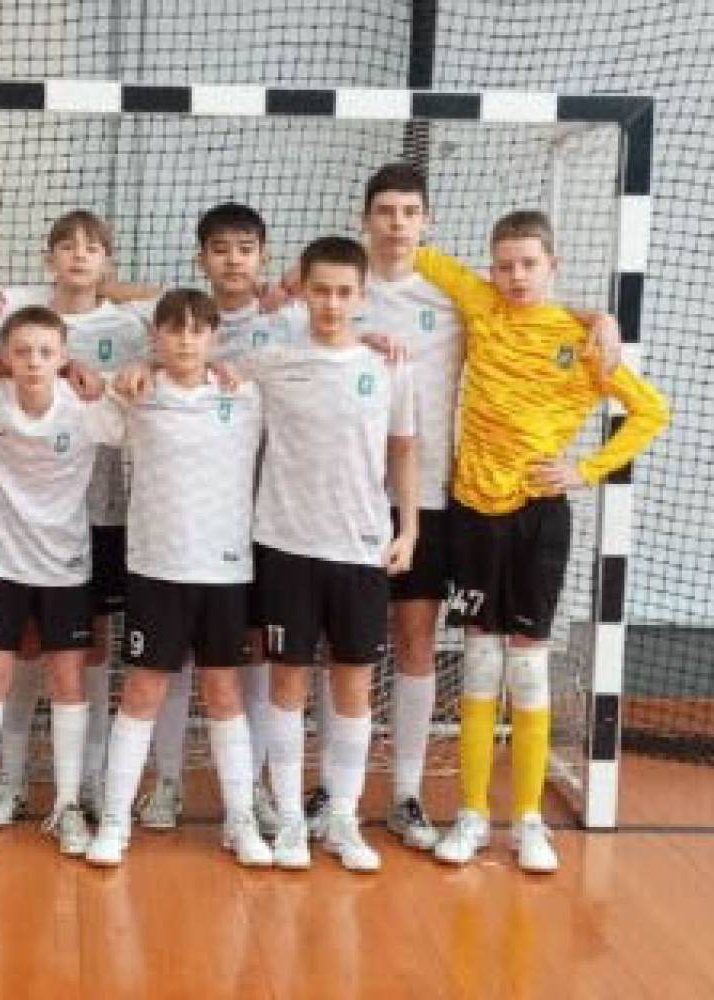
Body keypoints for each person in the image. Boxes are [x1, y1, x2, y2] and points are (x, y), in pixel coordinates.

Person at [418, 212, 669, 873]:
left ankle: (528, 820)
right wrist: (292, 279)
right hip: (472, 514)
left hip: (539, 517)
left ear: (552, 265)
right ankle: (472, 813)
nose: (516, 276)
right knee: (479, 662)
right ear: (491, 268)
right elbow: (410, 250)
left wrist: (585, 469)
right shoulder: (479, 303)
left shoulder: (581, 343)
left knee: (528, 666)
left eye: (529, 263)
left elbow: (651, 412)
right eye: (504, 265)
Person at [0, 305, 121, 857]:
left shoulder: (88, 408)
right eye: (22, 351)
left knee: (68, 682)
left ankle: (67, 805)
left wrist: (102, 377)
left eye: (46, 352)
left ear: (63, 358)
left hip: (66, 568)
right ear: (4, 356)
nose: (34, 362)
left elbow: (152, 389)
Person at [82, 288, 270, 868]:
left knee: (223, 693)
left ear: (214, 337)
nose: (186, 340)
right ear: (156, 336)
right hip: (156, 568)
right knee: (143, 690)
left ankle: (240, 821)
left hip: (226, 571)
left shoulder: (245, 394)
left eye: (197, 330)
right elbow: (84, 415)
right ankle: (116, 821)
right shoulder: (136, 393)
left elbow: (304, 363)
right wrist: (120, 379)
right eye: (174, 329)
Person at [249, 236, 419, 872]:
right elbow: (204, 367)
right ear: (302, 292)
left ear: (363, 296)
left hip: (361, 549)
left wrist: (409, 531)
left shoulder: (390, 365)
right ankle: (291, 821)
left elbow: (404, 449)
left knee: (353, 685)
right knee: (287, 683)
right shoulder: (271, 362)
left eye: (345, 292)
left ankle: (342, 816)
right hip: (285, 545)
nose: (332, 303)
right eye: (320, 290)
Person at [0, 210, 150, 825]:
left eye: (92, 248)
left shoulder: (129, 321)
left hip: (104, 513)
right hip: (28, 518)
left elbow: (180, 323)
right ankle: (11, 775)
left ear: (108, 260)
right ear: (47, 257)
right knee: (28, 643)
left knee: (91, 647)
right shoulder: (19, 310)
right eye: (67, 246)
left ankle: (89, 779)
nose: (79, 256)